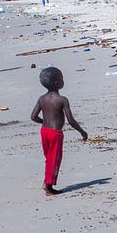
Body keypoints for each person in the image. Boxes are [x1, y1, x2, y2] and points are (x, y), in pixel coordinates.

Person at [30, 66, 88, 196]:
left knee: (48, 157)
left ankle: (47, 183)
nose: (63, 80)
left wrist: (44, 123)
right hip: (56, 133)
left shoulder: (42, 99)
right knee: (54, 159)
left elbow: (33, 117)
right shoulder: (62, 100)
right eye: (62, 78)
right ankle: (48, 186)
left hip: (44, 131)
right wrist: (82, 132)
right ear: (57, 83)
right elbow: (71, 120)